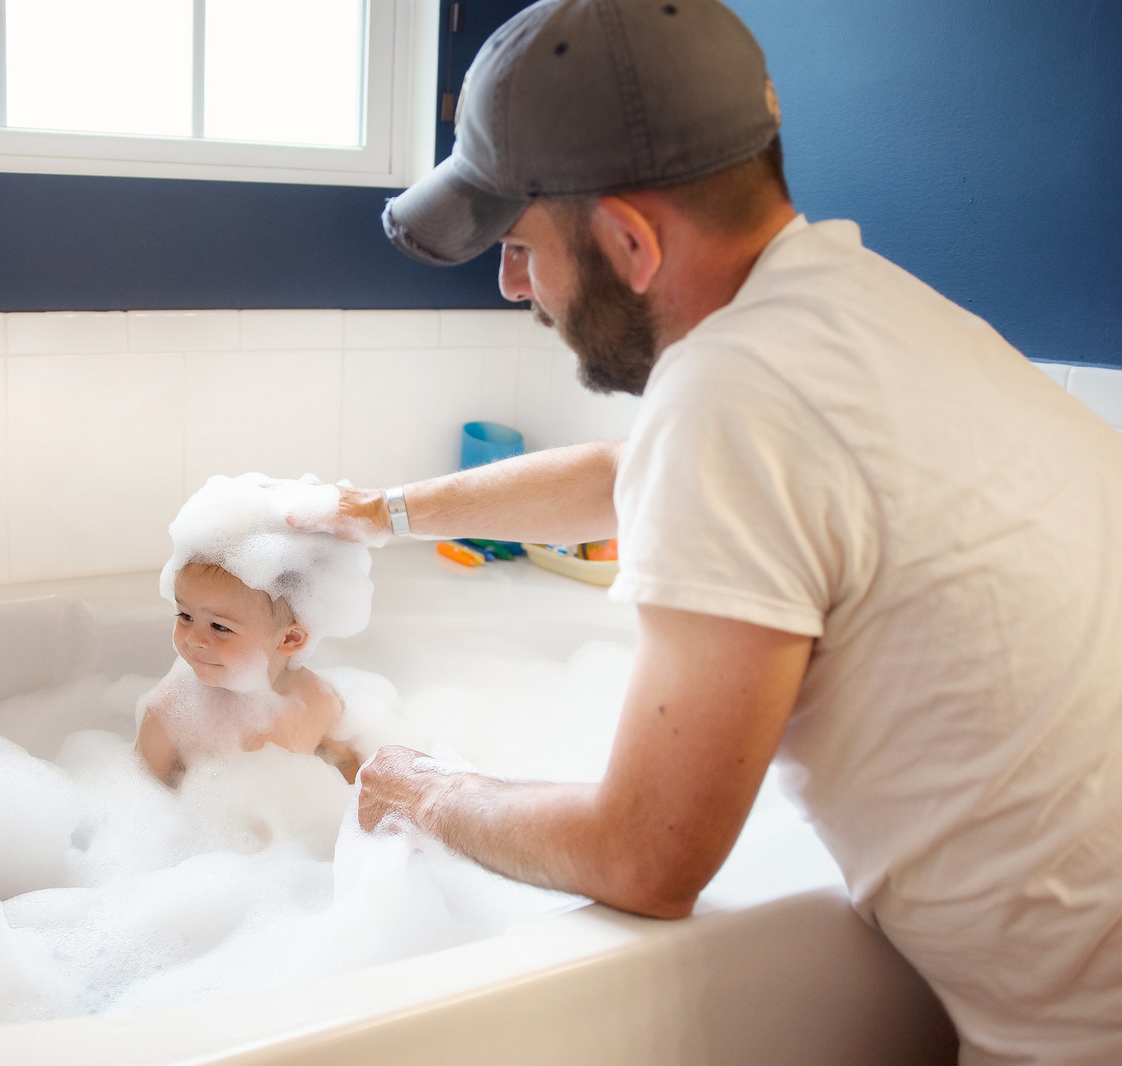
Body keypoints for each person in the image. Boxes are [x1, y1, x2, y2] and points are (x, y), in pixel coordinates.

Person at [294, 2, 1122, 1063]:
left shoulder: (733, 393)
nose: (513, 285)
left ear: (630, 241)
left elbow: (648, 856)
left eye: (518, 245)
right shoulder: (856, 308)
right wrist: (382, 515)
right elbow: (620, 473)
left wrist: (428, 789)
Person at [136, 474, 375, 787]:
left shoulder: (319, 702)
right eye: (185, 615)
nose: (194, 639)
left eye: (220, 627)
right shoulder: (170, 712)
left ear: (289, 638)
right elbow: (143, 793)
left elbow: (351, 770)